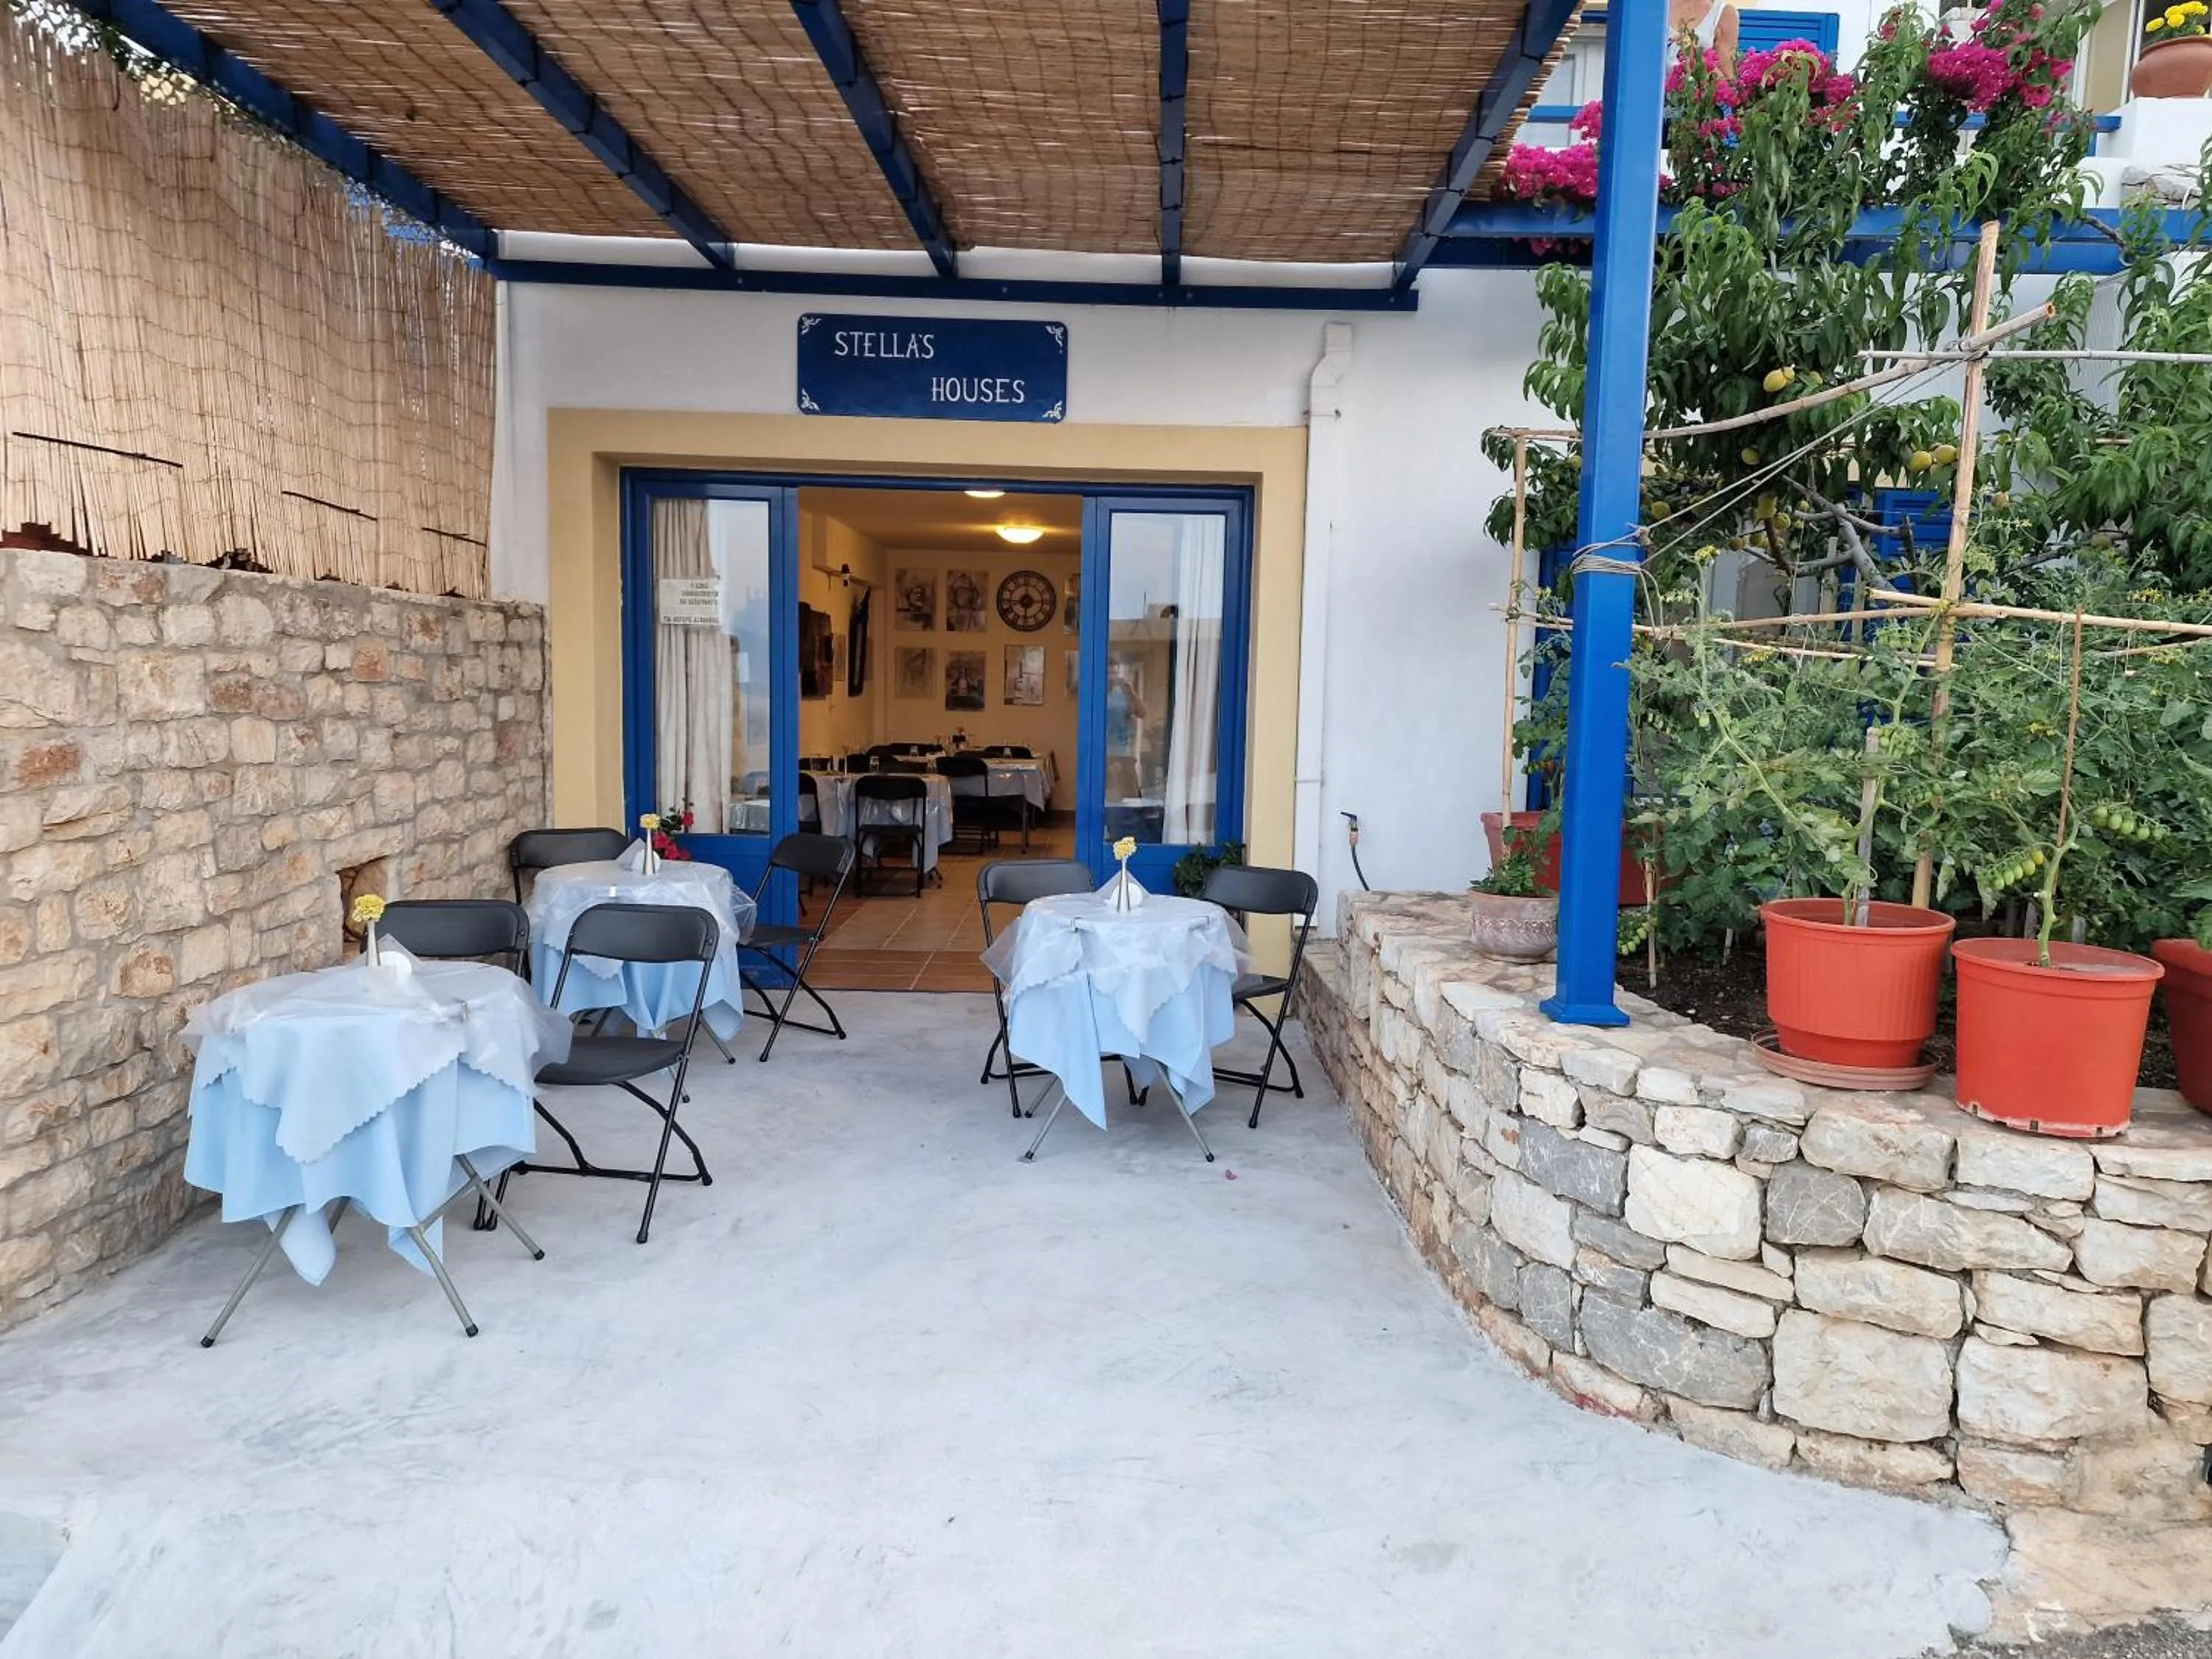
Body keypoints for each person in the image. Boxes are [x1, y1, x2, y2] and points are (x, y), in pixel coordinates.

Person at [1105, 664, 1147, 801]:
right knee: (1103, 792)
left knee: (1131, 792)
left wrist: (1131, 691)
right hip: (1102, 752)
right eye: (1110, 673)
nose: (1113, 677)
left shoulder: (1124, 694)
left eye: (1116, 673)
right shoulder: (1097, 693)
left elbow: (1142, 713)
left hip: (1123, 751)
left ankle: (1132, 819)